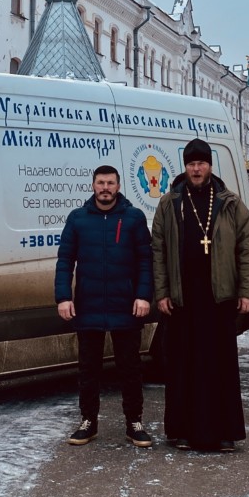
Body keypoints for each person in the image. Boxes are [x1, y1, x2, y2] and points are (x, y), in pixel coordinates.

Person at [151, 138, 249, 452]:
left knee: (219, 366)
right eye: (191, 163)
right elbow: (158, 250)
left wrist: (247, 291)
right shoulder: (170, 202)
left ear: (210, 165)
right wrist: (162, 293)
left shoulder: (229, 202)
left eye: (201, 163)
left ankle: (224, 433)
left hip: (219, 299)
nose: (196, 169)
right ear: (185, 166)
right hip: (183, 299)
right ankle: (182, 431)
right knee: (183, 367)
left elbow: (248, 249)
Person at [55, 164, 154, 448]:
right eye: (101, 183)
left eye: (110, 183)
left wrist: (143, 295)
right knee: (88, 369)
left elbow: (145, 262)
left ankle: (134, 422)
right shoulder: (77, 219)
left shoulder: (134, 218)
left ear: (118, 186)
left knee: (130, 369)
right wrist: (63, 297)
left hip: (127, 307)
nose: (105, 188)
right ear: (93, 185)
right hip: (88, 306)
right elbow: (65, 261)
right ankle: (88, 421)